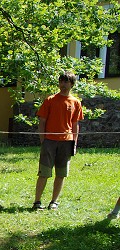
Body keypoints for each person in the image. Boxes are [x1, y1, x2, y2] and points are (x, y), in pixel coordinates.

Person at [32, 72, 84, 210]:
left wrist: (74, 142)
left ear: (72, 84)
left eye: (66, 82)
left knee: (61, 174)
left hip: (66, 142)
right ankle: (37, 202)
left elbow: (75, 124)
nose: (63, 84)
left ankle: (54, 202)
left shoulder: (76, 102)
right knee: (44, 173)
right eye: (61, 81)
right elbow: (42, 121)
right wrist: (43, 140)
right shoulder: (50, 100)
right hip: (49, 141)